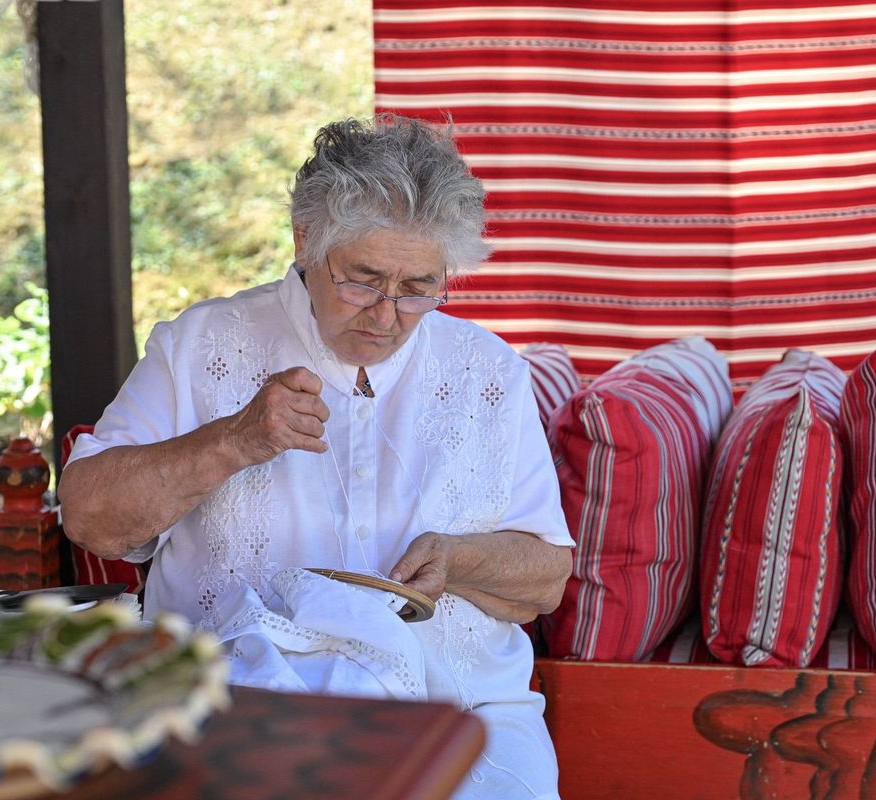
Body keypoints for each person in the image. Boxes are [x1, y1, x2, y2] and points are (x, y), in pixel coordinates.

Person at [58, 113, 575, 799]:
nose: (387, 314)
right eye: (362, 280)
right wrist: (233, 440)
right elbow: (89, 516)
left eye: (419, 288)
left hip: (456, 706)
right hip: (236, 704)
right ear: (306, 242)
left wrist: (460, 560)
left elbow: (546, 580)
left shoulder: (487, 372)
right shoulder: (202, 346)